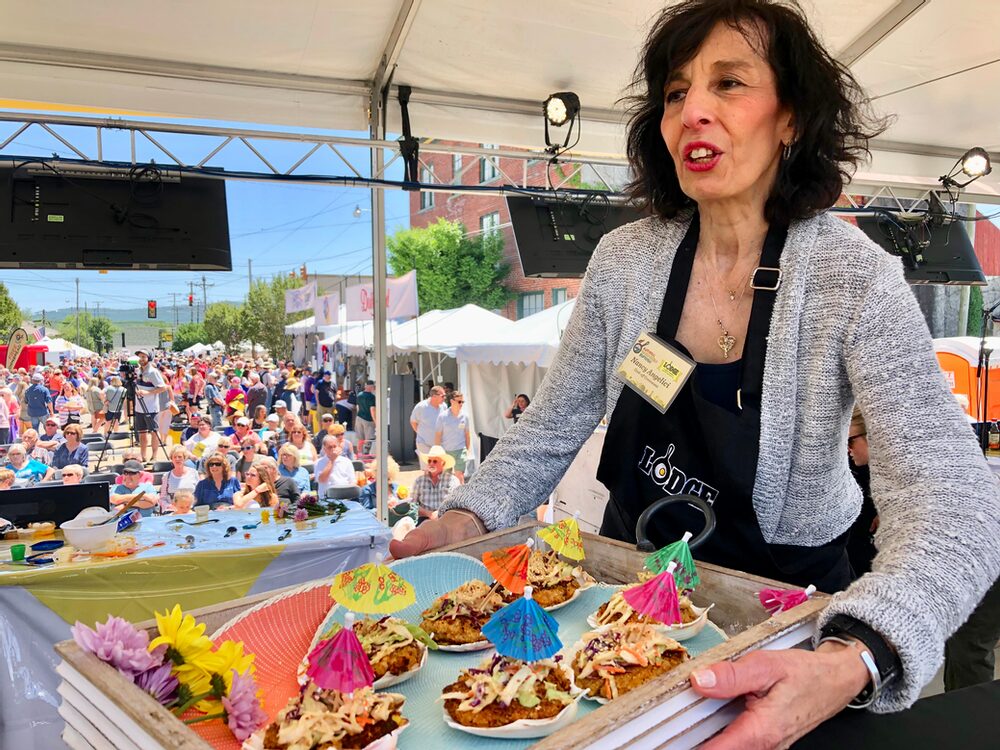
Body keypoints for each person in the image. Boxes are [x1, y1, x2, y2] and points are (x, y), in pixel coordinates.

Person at [389, 3, 999, 746]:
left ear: (792, 119)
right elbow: (549, 427)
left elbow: (959, 508)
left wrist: (856, 656)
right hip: (621, 607)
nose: (693, 113)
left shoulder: (854, 280)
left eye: (730, 84)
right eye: (677, 93)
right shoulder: (624, 262)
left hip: (785, 630)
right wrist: (470, 515)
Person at [134, 350, 170, 463]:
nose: (141, 359)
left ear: (149, 358)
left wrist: (147, 393)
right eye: (140, 357)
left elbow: (163, 387)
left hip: (151, 407)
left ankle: (154, 456)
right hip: (139, 407)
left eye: (143, 357)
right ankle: (143, 455)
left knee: (154, 432)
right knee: (142, 433)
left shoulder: (153, 372)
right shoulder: (138, 371)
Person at [410, 446, 460, 521]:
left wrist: (440, 513)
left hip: (446, 519)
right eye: (429, 461)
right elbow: (412, 504)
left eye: (435, 461)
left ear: (443, 463)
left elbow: (457, 504)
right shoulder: (419, 481)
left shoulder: (453, 480)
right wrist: (428, 513)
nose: (431, 464)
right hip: (424, 519)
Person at [435, 391, 471, 483]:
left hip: (460, 450)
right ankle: (447, 496)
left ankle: (461, 496)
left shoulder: (465, 416)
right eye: (459, 402)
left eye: (462, 402)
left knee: (460, 476)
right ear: (452, 401)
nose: (461, 404)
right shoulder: (442, 417)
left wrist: (467, 449)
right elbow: (438, 435)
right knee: (446, 478)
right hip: (446, 451)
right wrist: (437, 452)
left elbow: (467, 434)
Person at [410, 385, 446, 459]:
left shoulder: (444, 406)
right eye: (442, 396)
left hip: (439, 445)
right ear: (434, 396)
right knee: (427, 468)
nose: (444, 398)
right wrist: (421, 434)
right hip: (424, 444)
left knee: (438, 468)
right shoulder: (421, 407)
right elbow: (413, 422)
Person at [159, 445, 199, 509]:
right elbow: (162, 498)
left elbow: (198, 494)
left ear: (184, 458)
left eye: (180, 457)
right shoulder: (166, 476)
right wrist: (169, 506)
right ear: (172, 459)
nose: (177, 459)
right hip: (173, 511)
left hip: (191, 510)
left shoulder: (194, 473)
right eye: (175, 457)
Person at [355, 380, 376, 454]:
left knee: (360, 438)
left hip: (359, 418)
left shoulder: (359, 395)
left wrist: (359, 415)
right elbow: (372, 410)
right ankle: (366, 454)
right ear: (372, 387)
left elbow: (357, 407)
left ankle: (359, 454)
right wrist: (375, 421)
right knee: (369, 438)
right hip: (368, 420)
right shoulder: (372, 397)